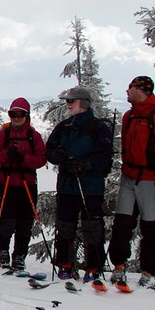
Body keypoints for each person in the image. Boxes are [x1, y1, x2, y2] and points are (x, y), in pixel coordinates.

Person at [107, 76, 155, 289]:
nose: (127, 91)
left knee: (150, 226)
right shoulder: (129, 116)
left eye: (130, 88)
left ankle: (150, 271)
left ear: (141, 90)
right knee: (122, 223)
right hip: (129, 176)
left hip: (151, 179)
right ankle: (119, 265)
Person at [45, 86, 113, 282]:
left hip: (90, 186)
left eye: (71, 101)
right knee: (65, 226)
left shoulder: (98, 127)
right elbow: (49, 150)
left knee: (92, 227)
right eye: (67, 101)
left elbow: (105, 156)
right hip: (67, 184)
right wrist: (56, 155)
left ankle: (94, 266)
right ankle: (65, 264)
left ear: (83, 103)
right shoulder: (64, 126)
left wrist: (85, 164)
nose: (67, 104)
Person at [0, 97, 47, 271]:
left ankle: (19, 255)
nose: (16, 118)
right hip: (6, 182)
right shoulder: (4, 134)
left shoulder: (33, 135)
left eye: (20, 114)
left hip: (27, 184)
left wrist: (23, 158)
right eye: (13, 114)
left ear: (27, 115)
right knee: (5, 220)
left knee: (25, 223)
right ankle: (2, 252)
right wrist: (7, 154)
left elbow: (41, 159)